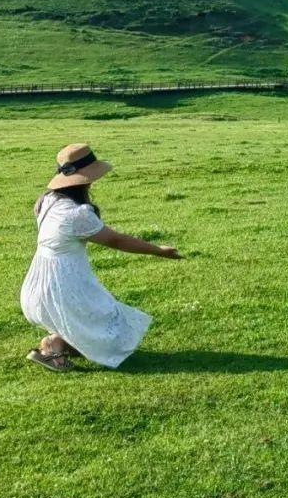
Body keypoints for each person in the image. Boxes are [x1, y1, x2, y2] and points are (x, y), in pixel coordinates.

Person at [21, 143, 181, 372]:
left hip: (37, 284)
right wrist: (158, 250)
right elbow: (117, 240)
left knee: (88, 321)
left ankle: (61, 344)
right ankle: (51, 351)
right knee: (108, 320)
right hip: (61, 287)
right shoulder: (77, 215)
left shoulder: (47, 202)